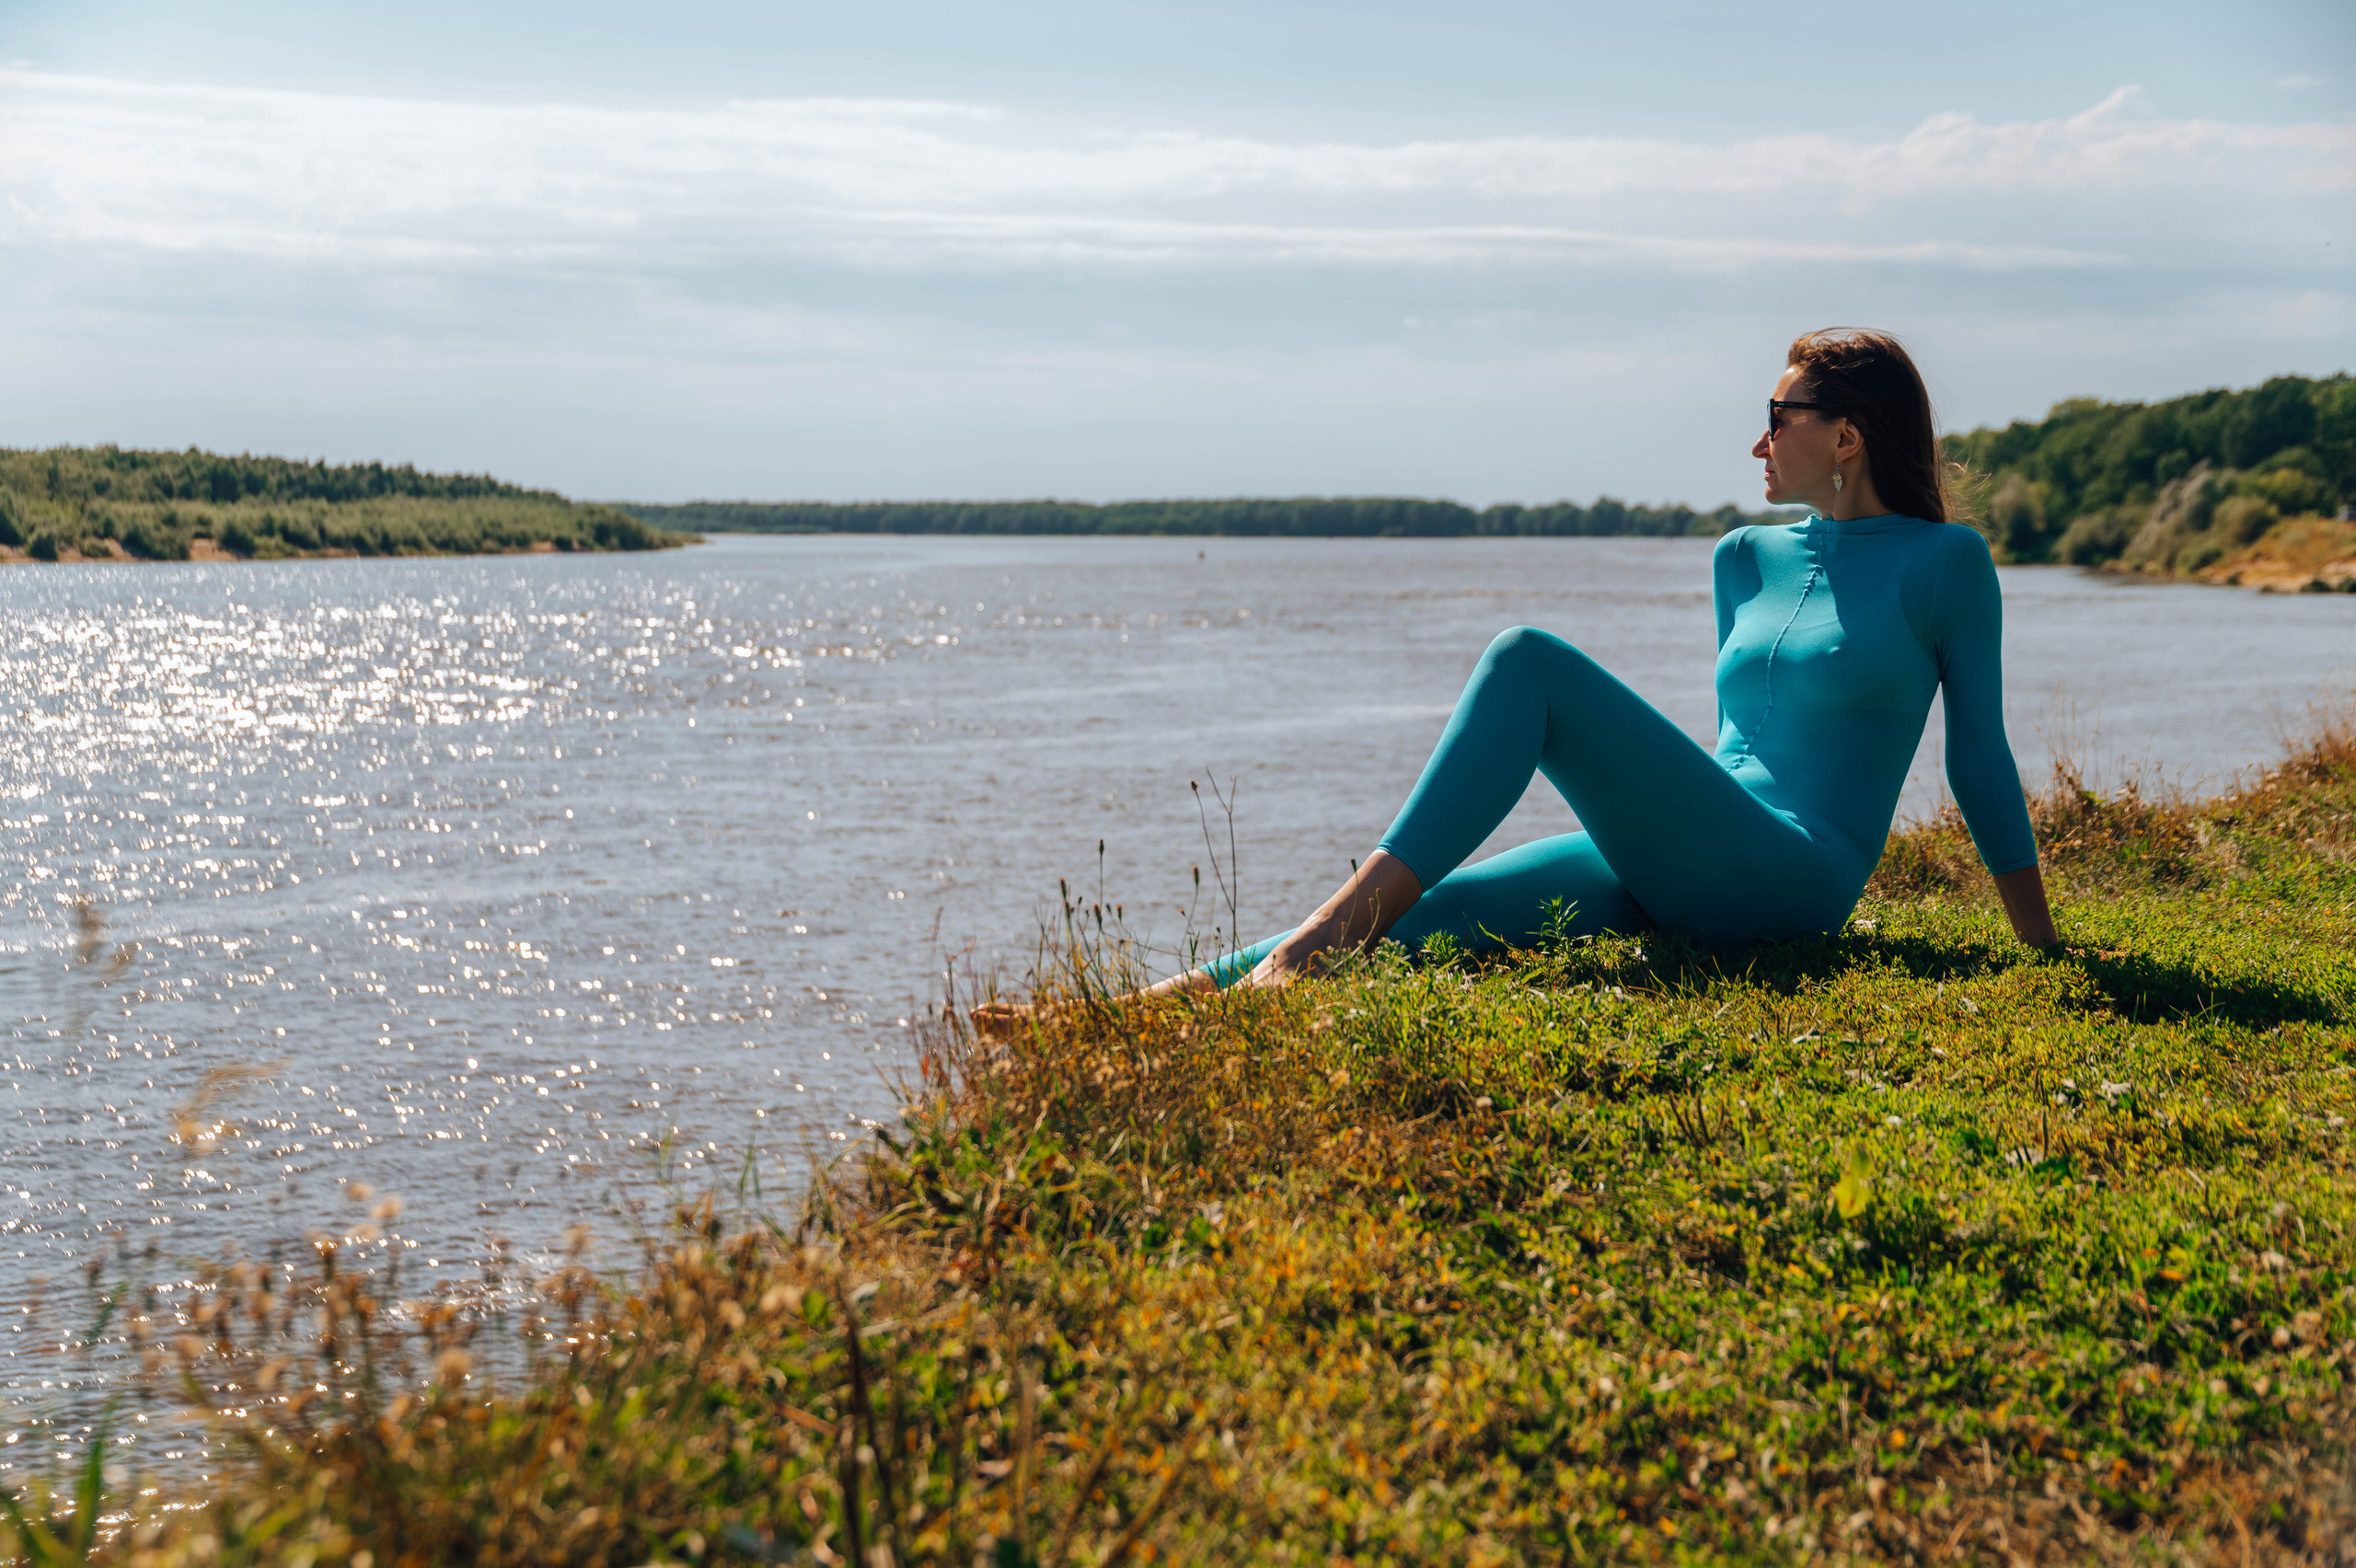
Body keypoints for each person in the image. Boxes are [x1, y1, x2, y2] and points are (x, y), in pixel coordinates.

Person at [981, 328, 2055, 1024]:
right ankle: (1123, 1019)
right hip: (1689, 850)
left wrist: (2042, 953)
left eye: (1777, 419)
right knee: (1427, 911)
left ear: (1849, 435)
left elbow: (1979, 760)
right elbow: (1742, 738)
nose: (1756, 443)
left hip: (1792, 878)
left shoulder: (1943, 564)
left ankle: (1311, 945)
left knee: (1528, 661)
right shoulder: (1743, 557)